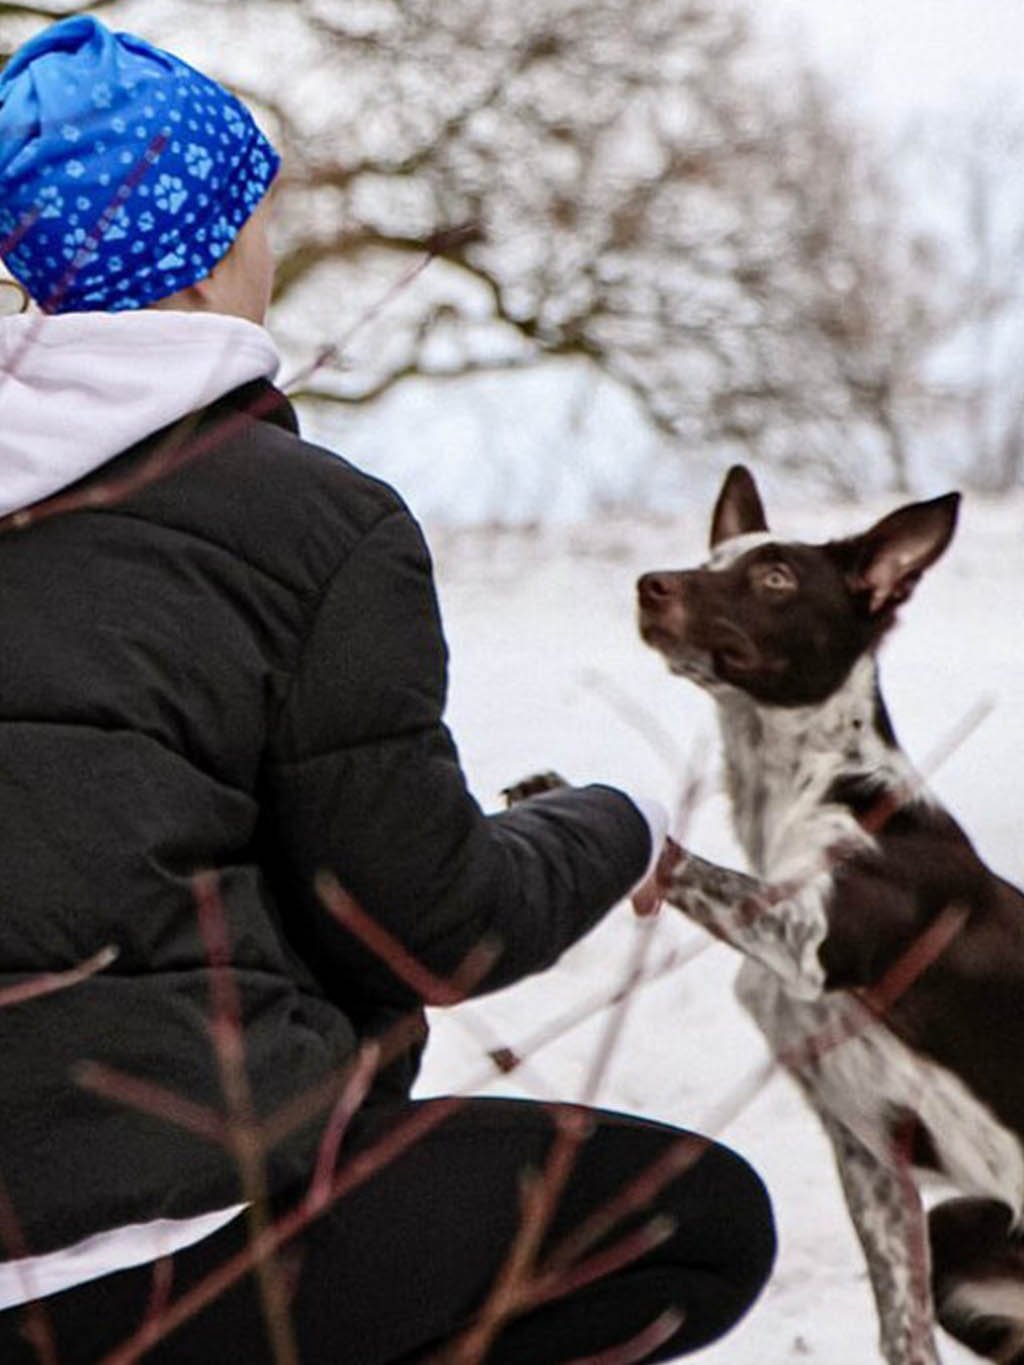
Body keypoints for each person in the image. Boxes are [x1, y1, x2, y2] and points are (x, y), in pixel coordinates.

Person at [0, 17, 775, 1364]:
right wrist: (623, 821)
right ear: (199, 253)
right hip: (175, 1258)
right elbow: (429, 928)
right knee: (698, 1221)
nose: (271, 245)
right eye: (254, 208)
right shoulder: (312, 522)